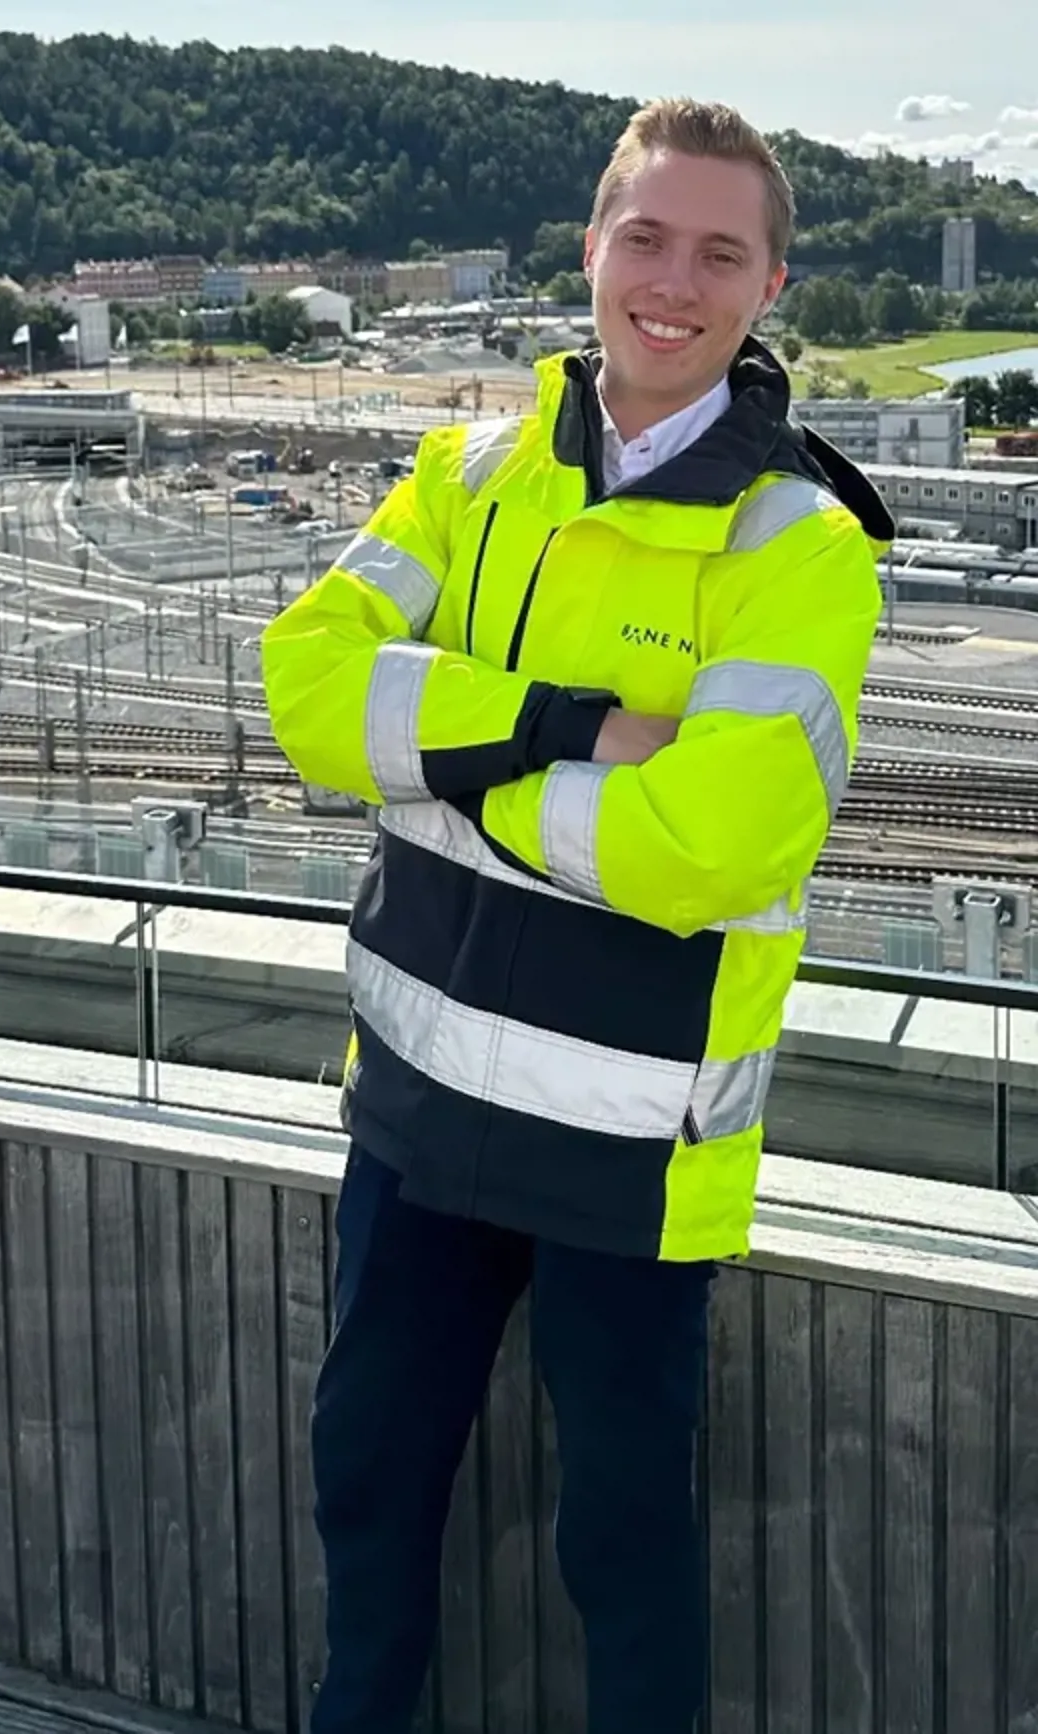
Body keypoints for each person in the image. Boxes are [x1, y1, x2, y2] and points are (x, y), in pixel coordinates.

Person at [260, 98, 893, 1734]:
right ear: (591, 247)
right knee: (367, 1494)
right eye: (646, 237)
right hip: (411, 1117)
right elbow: (308, 691)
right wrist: (557, 725)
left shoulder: (802, 547)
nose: (672, 281)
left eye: (719, 252)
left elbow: (711, 851)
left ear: (768, 287)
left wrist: (444, 764)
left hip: (632, 1147)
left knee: (626, 1550)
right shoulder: (468, 470)